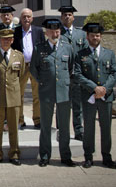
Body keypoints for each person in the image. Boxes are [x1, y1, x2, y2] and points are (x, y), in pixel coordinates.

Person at [30, 19, 75, 167]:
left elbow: (71, 68)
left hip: (64, 92)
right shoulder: (39, 48)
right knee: (45, 126)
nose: (55, 34)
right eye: (52, 31)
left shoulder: (67, 48)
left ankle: (65, 156)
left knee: (64, 127)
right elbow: (34, 69)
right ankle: (44, 156)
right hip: (46, 92)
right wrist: (43, 82)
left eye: (57, 31)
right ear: (46, 32)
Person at [74, 23, 116, 169]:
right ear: (87, 37)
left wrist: (104, 88)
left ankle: (107, 156)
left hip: (106, 97)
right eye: (92, 35)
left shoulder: (109, 53)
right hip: (89, 97)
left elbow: (114, 73)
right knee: (88, 127)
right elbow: (77, 74)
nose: (95, 38)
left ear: (101, 37)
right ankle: (88, 156)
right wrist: (94, 88)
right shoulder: (81, 55)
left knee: (106, 127)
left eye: (98, 35)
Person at [0, 29, 24, 166]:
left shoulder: (19, 56)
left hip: (14, 96)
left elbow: (22, 76)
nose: (6, 41)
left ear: (12, 40)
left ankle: (14, 154)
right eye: (3, 39)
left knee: (13, 127)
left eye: (9, 39)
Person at [11, 8, 45, 129]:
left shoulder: (39, 31)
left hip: (35, 66)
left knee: (37, 94)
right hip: (21, 66)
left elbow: (43, 48)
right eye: (24, 16)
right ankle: (20, 119)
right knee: (19, 94)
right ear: (21, 18)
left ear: (32, 18)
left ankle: (37, 119)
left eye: (28, 16)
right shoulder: (16, 32)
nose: (26, 19)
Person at [59, 6, 88, 141]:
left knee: (78, 105)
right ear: (61, 17)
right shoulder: (57, 33)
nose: (67, 17)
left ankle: (79, 130)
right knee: (62, 105)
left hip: (77, 75)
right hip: (63, 75)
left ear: (73, 17)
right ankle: (61, 130)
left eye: (69, 14)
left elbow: (86, 54)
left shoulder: (81, 34)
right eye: (65, 14)